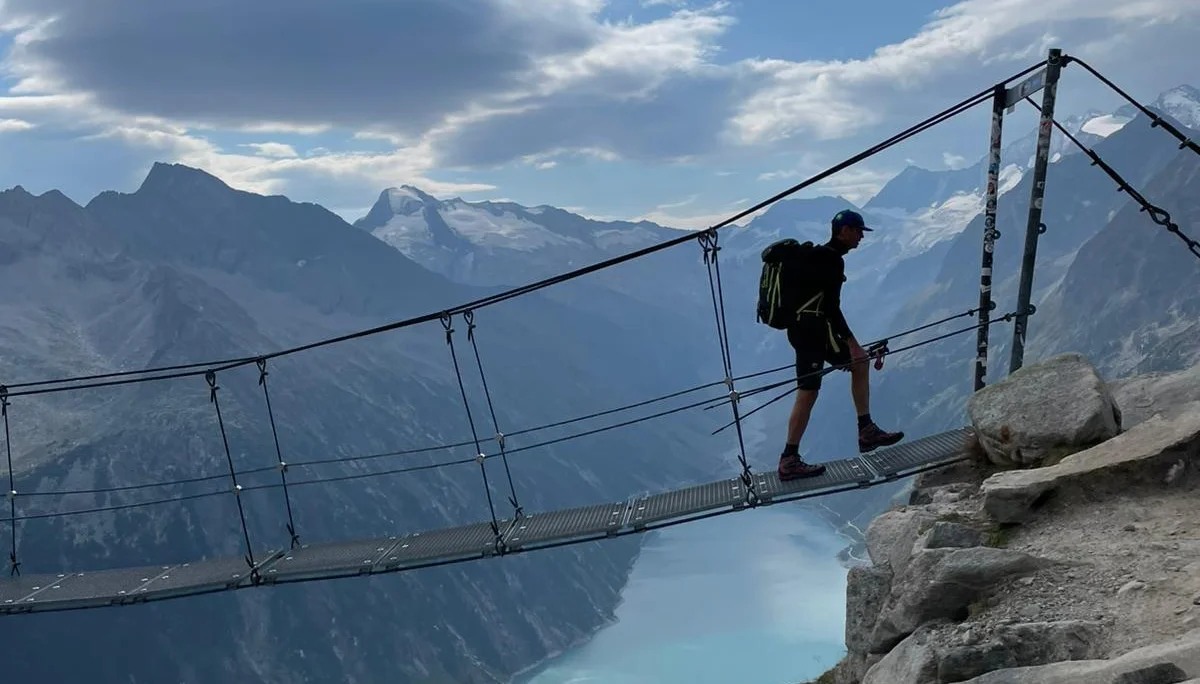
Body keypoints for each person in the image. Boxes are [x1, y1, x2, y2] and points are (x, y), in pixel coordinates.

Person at [778, 209, 904, 481]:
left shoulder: (822, 257)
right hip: (811, 332)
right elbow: (832, 308)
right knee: (808, 391)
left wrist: (854, 349)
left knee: (859, 363)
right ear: (843, 230)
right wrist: (852, 343)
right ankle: (789, 459)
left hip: (808, 330)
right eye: (858, 230)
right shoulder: (831, 260)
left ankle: (866, 430)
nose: (861, 236)